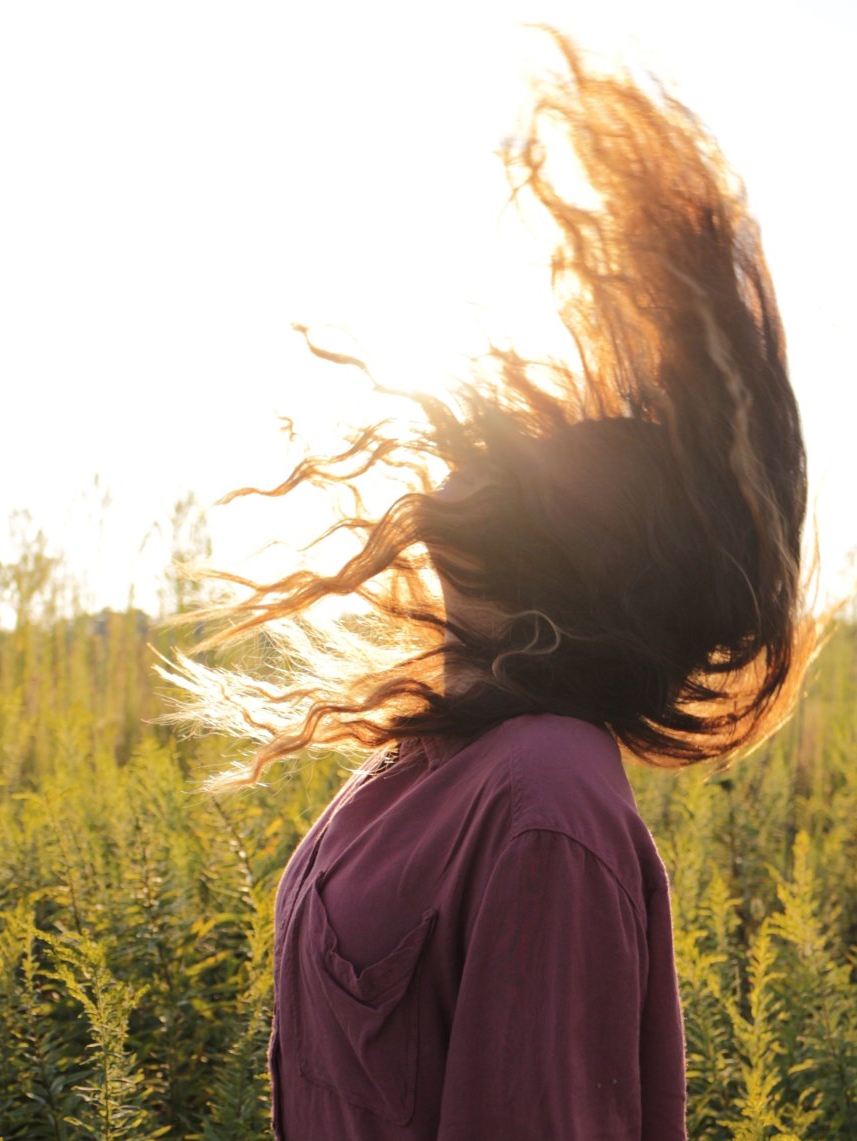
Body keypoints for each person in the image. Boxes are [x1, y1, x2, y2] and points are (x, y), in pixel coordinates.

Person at [164, 30, 814, 1141]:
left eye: (476, 522)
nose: (431, 530)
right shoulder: (430, 759)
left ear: (546, 573)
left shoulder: (542, 799)